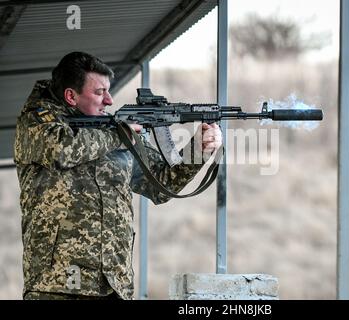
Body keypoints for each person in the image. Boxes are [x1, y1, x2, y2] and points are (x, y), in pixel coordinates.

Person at [14, 51, 222, 300]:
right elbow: (62, 150)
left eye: (108, 91)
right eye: (100, 92)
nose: (110, 101)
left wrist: (196, 149)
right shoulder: (36, 123)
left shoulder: (112, 130)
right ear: (71, 95)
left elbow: (161, 184)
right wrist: (120, 135)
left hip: (114, 284)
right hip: (58, 285)